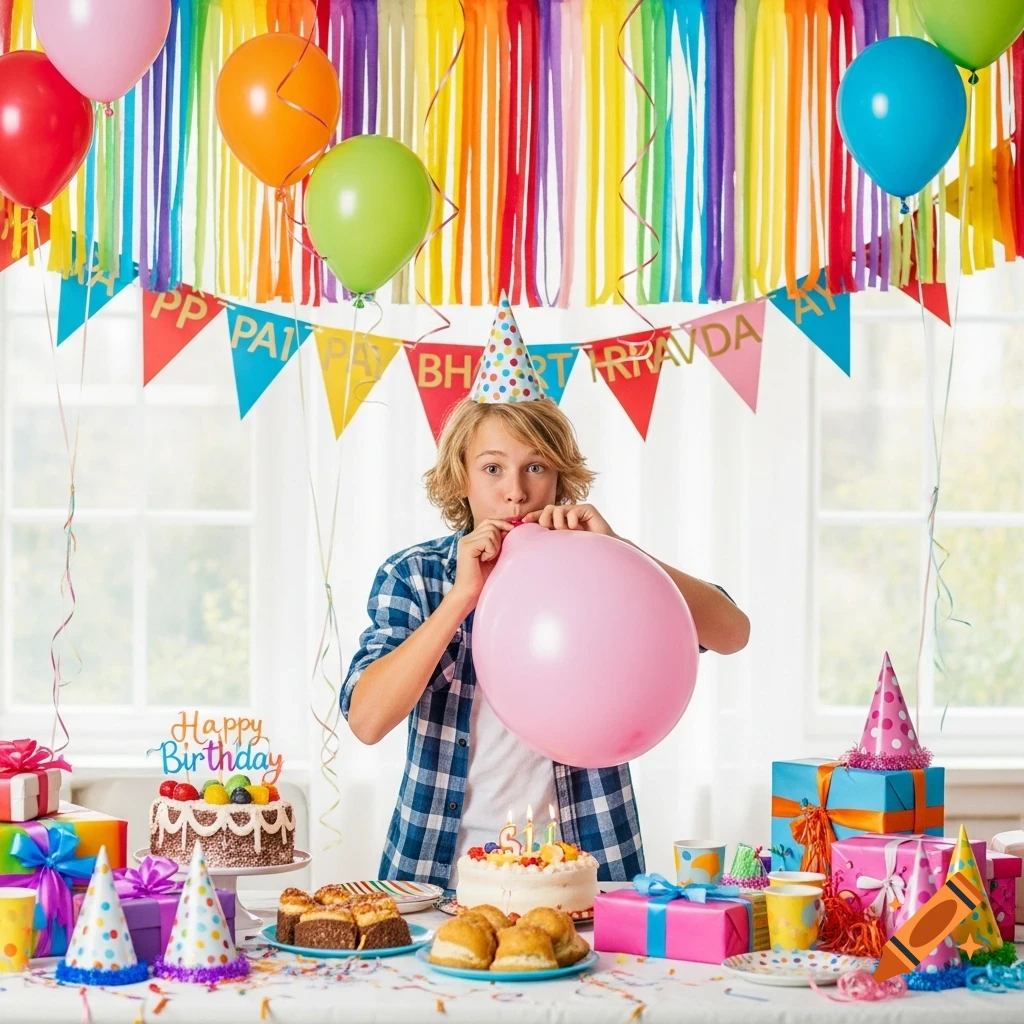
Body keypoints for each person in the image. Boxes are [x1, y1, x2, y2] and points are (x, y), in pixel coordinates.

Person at [341, 293, 750, 888]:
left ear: (559, 474)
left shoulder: (600, 567)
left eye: (535, 467)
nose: (515, 492)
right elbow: (367, 720)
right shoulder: (415, 576)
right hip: (438, 875)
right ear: (460, 474)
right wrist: (460, 600)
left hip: (586, 872)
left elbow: (732, 633)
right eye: (492, 467)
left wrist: (622, 552)